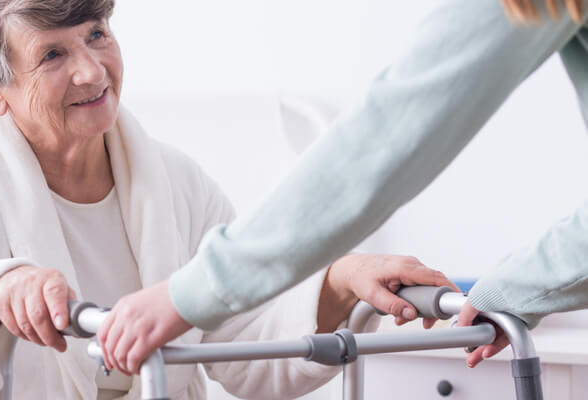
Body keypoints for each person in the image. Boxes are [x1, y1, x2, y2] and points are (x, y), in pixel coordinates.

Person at [0, 0, 457, 399]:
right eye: (53, 54)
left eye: (97, 34)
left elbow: (242, 330)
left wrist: (341, 282)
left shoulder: (173, 180)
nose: (92, 70)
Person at [98, 0, 588, 375]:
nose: (87, 73)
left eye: (98, 35)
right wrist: (518, 288)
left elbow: (395, 132)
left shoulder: (183, 186)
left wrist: (190, 294)